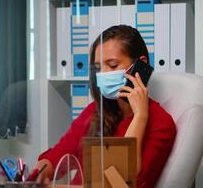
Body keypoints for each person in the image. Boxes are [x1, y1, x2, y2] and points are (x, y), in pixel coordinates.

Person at [34, 25, 177, 188]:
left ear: (140, 65)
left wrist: (140, 117)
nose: (104, 73)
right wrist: (38, 173)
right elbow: (56, 157)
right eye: (99, 67)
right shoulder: (94, 111)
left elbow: (123, 183)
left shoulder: (161, 123)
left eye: (113, 65)